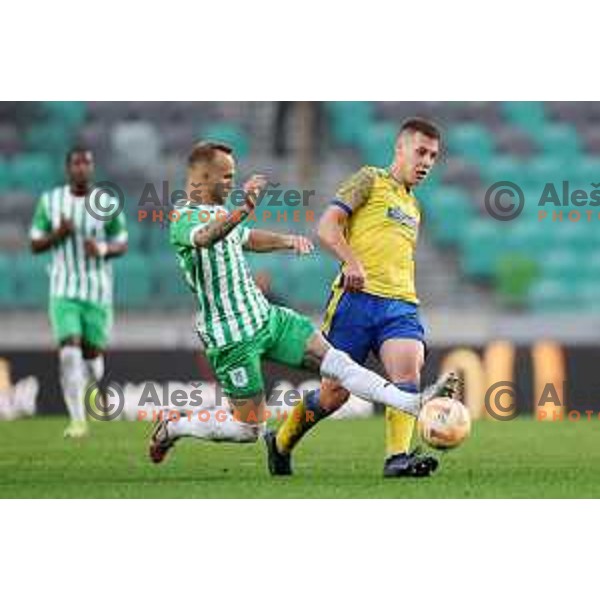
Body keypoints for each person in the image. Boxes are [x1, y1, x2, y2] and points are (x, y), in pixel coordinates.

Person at [148, 141, 456, 465]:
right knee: (247, 428)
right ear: (201, 177)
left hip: (267, 317)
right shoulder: (183, 220)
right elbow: (207, 236)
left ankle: (412, 403)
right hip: (231, 337)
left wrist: (285, 240)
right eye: (226, 177)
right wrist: (243, 209)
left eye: (233, 176)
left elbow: (246, 237)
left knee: (340, 364)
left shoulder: (220, 213)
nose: (232, 183)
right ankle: (175, 427)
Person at [269, 118, 458, 477]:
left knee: (408, 368)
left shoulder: (414, 206)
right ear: (399, 149)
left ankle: (396, 458)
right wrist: (351, 263)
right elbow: (326, 226)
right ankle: (280, 443)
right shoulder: (369, 179)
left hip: (400, 305)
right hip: (355, 302)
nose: (427, 162)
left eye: (433, 156)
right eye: (420, 152)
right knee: (333, 396)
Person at [30, 147, 128, 438]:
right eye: (76, 162)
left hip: (97, 291)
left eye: (87, 162)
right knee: (69, 353)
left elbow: (121, 242)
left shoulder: (106, 203)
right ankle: (77, 421)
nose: (82, 167)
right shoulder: (50, 202)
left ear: (93, 167)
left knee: (92, 362)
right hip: (63, 289)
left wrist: (101, 248)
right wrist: (57, 235)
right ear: (67, 168)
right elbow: (35, 243)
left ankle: (92, 385)